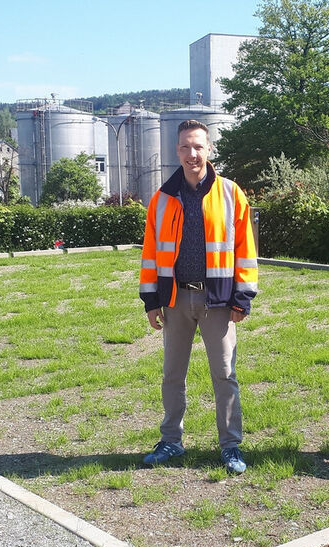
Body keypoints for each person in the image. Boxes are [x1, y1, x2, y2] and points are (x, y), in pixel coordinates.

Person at [138, 119, 258, 474]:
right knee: (172, 374)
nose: (193, 154)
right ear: (177, 151)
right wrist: (151, 299)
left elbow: (244, 249)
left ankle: (231, 446)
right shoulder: (160, 199)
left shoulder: (231, 193)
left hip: (218, 302)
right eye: (186, 147)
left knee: (224, 374)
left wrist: (242, 296)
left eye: (199, 147)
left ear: (209, 150)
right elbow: (149, 253)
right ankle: (171, 441)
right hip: (175, 300)